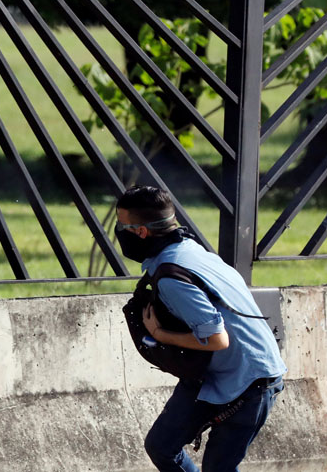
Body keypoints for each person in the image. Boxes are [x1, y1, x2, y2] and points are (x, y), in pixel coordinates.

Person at [115, 185, 286, 471]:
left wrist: (159, 334)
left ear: (141, 232)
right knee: (161, 446)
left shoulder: (172, 275)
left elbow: (218, 339)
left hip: (251, 380)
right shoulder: (188, 248)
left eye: (122, 226)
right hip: (213, 374)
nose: (120, 232)